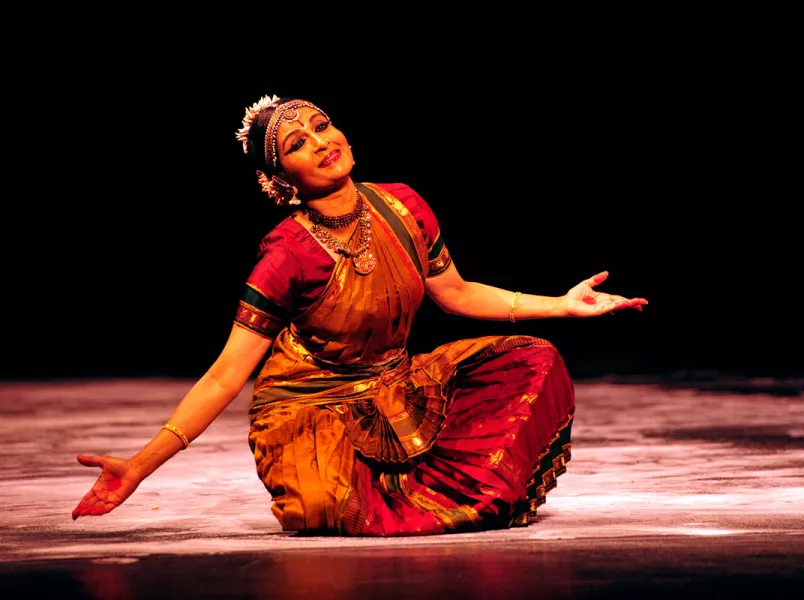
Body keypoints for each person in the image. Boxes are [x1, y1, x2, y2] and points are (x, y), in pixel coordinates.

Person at [72, 95, 647, 536]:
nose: (321, 142)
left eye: (321, 125)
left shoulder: (401, 204)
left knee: (531, 360)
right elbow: (225, 376)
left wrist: (563, 305)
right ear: (280, 180)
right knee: (324, 507)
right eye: (297, 144)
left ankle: (416, 484)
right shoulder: (287, 255)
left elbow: (459, 294)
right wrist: (141, 466)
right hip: (309, 409)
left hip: (394, 387)